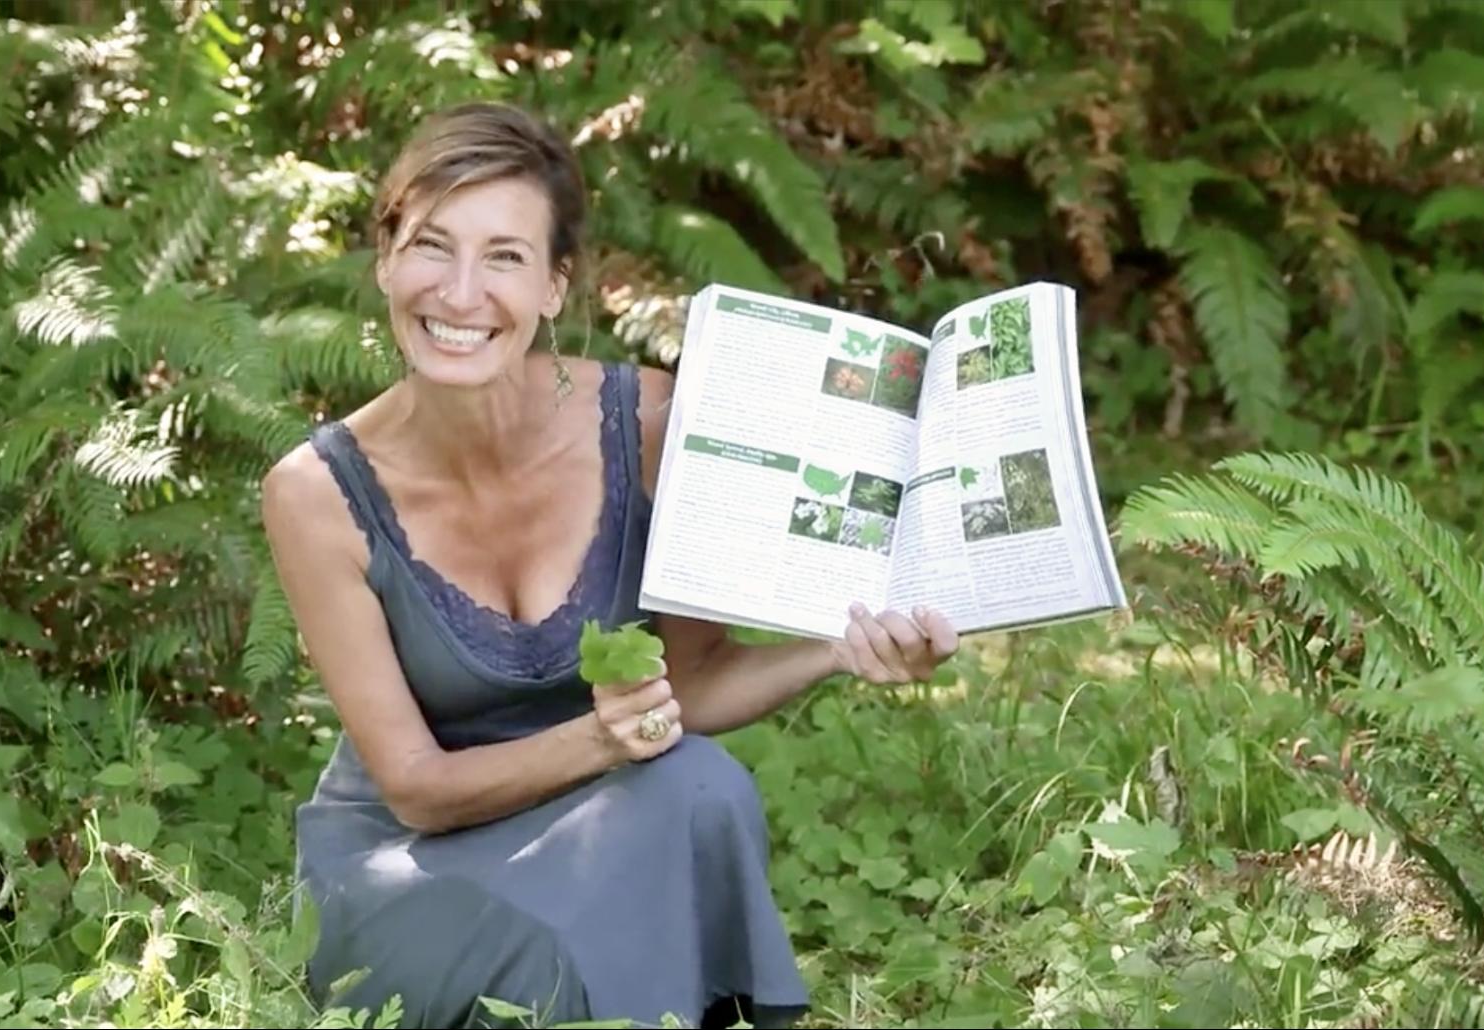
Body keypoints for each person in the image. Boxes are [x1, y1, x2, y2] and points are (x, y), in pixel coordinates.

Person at [259, 100, 959, 1030]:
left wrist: (836, 648)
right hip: (408, 859)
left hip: (602, 822)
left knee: (702, 786)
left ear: (554, 286)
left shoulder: (654, 426)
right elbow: (418, 789)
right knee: (552, 933)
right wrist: (601, 739)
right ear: (386, 259)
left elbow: (693, 683)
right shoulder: (317, 491)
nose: (460, 294)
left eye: (504, 257)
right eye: (432, 245)